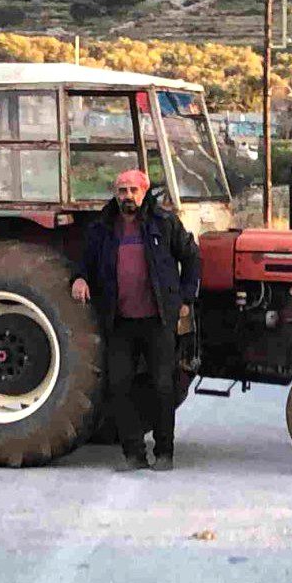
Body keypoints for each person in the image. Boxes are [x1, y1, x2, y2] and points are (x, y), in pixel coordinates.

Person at [71, 169, 200, 472]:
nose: (127, 196)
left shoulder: (164, 222)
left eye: (133, 190)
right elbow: (85, 261)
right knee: (119, 385)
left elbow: (192, 257)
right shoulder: (102, 227)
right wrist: (79, 278)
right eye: (122, 191)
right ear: (115, 194)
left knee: (163, 386)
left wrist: (185, 298)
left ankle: (165, 453)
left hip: (158, 320)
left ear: (145, 192)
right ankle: (134, 454)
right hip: (119, 322)